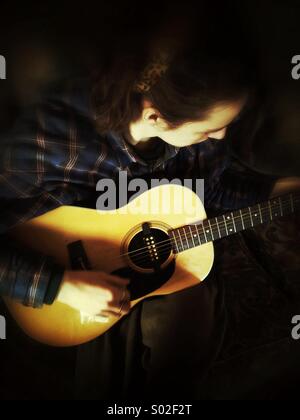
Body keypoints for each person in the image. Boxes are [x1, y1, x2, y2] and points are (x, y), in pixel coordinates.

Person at [0, 2, 299, 399]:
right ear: (157, 117)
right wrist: (60, 285)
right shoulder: (51, 143)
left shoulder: (194, 144)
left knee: (191, 303)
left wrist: (287, 190)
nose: (222, 138)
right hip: (68, 284)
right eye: (211, 129)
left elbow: (219, 189)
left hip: (157, 272)